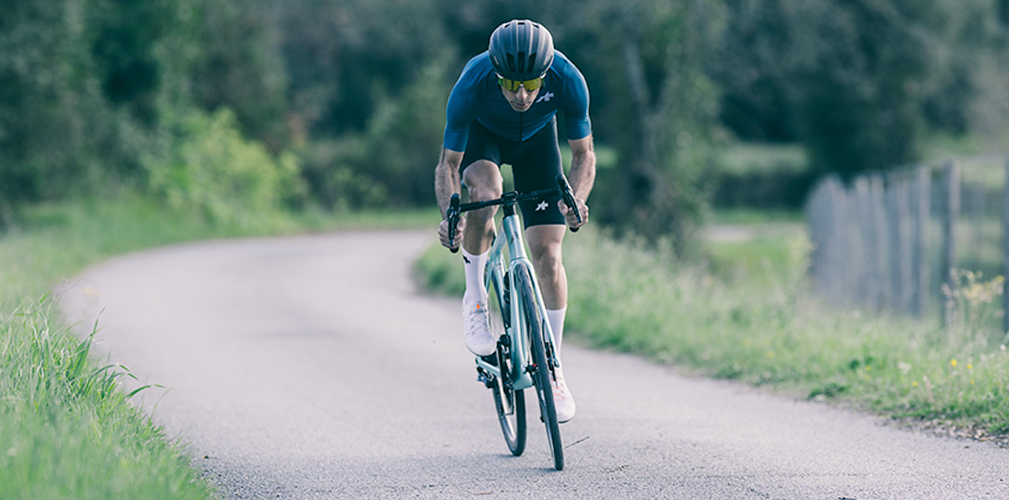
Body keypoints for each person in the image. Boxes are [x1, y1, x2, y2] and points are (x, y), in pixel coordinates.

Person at [434, 19, 595, 423]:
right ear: (495, 74)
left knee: (549, 255)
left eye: (531, 85)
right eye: (509, 85)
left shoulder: (568, 78)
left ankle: (553, 368)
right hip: (483, 140)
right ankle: (475, 298)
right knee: (485, 194)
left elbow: (584, 156)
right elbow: (448, 165)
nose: (521, 95)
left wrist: (575, 199)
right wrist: (450, 213)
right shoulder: (473, 81)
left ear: (546, 74)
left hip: (538, 145)